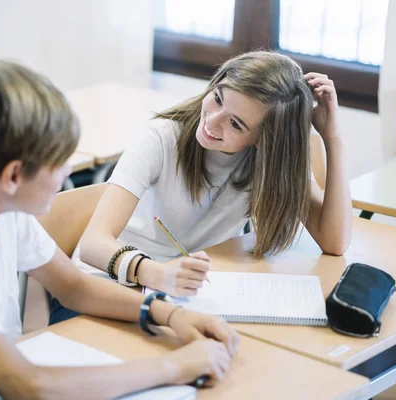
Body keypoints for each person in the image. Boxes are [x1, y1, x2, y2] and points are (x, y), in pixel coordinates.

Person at [0, 61, 240, 398]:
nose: (65, 176)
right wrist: (176, 367)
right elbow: (28, 385)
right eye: (59, 163)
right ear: (12, 175)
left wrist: (169, 315)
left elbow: (73, 287)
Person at [79, 50, 352, 299]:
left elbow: (334, 242)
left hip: (183, 291)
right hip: (109, 282)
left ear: (264, 141)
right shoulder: (161, 138)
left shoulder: (269, 163)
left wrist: (333, 138)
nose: (212, 121)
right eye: (218, 98)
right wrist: (158, 274)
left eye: (235, 123)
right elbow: (92, 245)